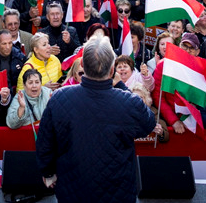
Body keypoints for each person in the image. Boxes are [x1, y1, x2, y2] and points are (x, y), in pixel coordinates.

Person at [36, 35, 157, 202]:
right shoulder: (129, 101)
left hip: (74, 190)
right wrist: (120, 85)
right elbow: (148, 121)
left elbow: (45, 143)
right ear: (112, 69)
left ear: (84, 65)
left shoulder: (59, 97)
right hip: (116, 191)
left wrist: (48, 172)